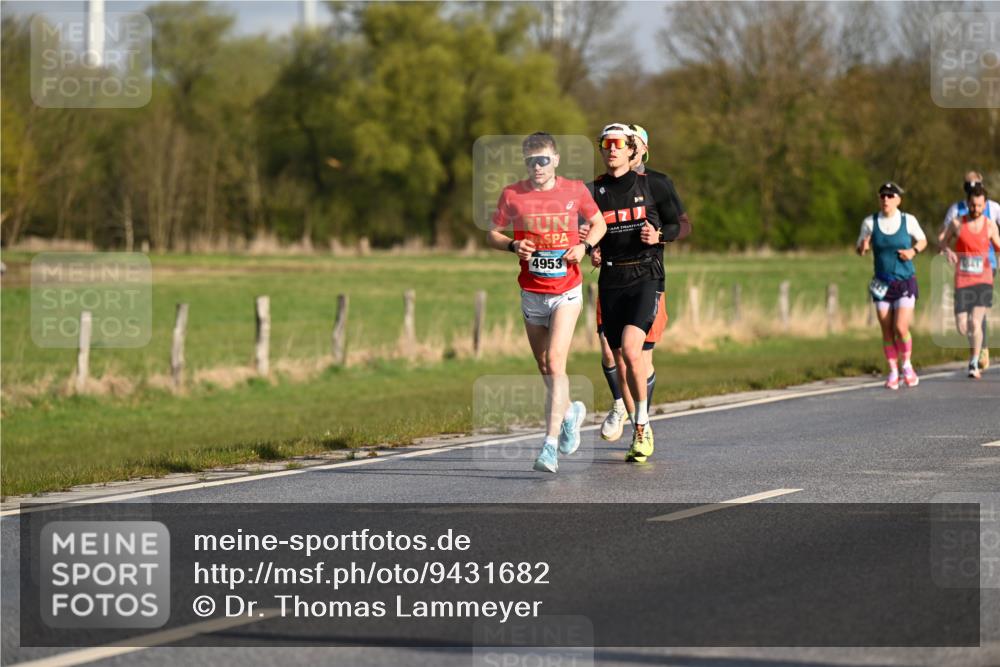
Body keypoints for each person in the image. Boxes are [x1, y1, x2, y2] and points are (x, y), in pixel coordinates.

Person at [487, 132, 607, 473]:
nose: (537, 167)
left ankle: (549, 447)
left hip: (566, 291)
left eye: (542, 160)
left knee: (555, 362)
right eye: (530, 162)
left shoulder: (574, 191)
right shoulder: (512, 194)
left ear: (555, 160)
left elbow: (598, 223)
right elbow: (492, 233)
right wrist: (513, 246)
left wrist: (584, 247)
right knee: (544, 366)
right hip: (532, 292)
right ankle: (570, 412)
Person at [588, 123, 689, 462]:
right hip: (611, 279)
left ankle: (643, 426)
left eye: (618, 143)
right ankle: (634, 422)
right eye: (606, 144)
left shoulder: (655, 184)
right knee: (617, 356)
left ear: (633, 149)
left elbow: (682, 225)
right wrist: (593, 250)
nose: (611, 149)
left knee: (633, 351)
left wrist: (659, 236)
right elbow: (590, 231)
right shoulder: (593, 191)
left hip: (646, 275)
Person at [856, 182, 927, 390]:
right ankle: (893, 371)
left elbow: (922, 240)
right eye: (882, 196)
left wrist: (912, 251)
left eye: (890, 195)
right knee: (886, 330)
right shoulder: (870, 222)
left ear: (898, 200)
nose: (886, 199)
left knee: (900, 327)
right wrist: (863, 246)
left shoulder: (908, 220)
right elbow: (860, 249)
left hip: (904, 280)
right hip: (881, 283)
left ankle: (907, 365)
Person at [939, 171, 1000, 370]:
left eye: (976, 184)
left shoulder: (994, 209)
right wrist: (946, 250)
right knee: (964, 324)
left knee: (977, 316)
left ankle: (979, 352)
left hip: (987, 268)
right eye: (969, 185)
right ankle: (978, 342)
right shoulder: (956, 212)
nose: (976, 208)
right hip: (963, 274)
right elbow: (943, 236)